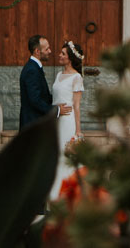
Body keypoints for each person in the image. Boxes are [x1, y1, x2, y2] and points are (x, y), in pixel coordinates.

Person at [49, 39, 85, 199]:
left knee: (66, 157)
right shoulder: (58, 74)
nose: (59, 55)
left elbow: (76, 106)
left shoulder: (77, 78)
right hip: (56, 120)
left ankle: (68, 194)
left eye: (62, 53)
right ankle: (53, 194)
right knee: (56, 155)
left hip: (68, 122)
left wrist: (78, 131)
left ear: (70, 58)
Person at [19, 34, 72, 131]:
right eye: (47, 49)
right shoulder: (32, 70)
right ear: (37, 51)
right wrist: (57, 110)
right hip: (33, 124)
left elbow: (43, 96)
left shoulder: (34, 67)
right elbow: (35, 100)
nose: (50, 51)